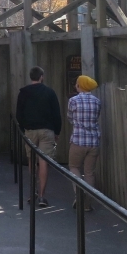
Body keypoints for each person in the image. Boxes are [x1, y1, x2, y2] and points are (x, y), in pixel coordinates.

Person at [16, 66, 62, 207]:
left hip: (30, 130)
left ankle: (32, 192)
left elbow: (19, 114)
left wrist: (25, 128)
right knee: (44, 162)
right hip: (46, 130)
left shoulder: (23, 93)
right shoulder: (49, 92)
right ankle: (42, 195)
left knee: (32, 161)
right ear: (41, 77)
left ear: (31, 77)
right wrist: (57, 131)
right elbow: (56, 113)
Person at [67, 74, 101, 211]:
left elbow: (70, 118)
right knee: (89, 173)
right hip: (93, 141)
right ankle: (87, 203)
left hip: (78, 140)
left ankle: (79, 194)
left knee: (74, 167)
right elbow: (96, 117)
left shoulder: (73, 101)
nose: (75, 85)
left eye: (77, 83)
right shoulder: (97, 101)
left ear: (80, 86)